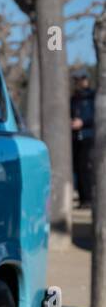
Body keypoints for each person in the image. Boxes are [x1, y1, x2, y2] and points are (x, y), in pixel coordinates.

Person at [71, 73, 95, 208]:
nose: (79, 82)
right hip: (76, 137)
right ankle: (82, 199)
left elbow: (95, 116)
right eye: (77, 80)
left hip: (89, 137)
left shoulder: (93, 97)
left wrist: (83, 122)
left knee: (86, 168)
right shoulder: (74, 98)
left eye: (81, 79)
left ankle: (88, 199)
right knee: (78, 169)